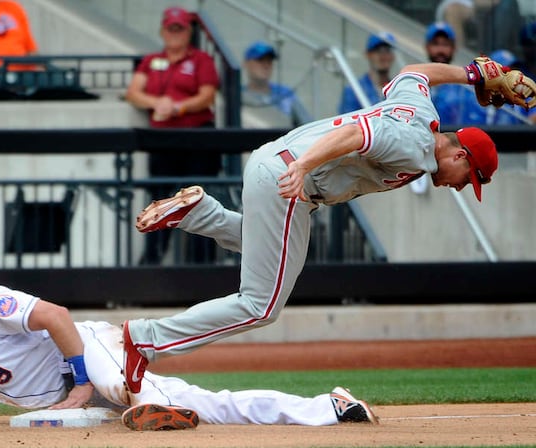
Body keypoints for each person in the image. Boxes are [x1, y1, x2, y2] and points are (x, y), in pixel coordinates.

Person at [121, 59, 508, 395]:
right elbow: (356, 135)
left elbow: (413, 72)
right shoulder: (413, 143)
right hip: (291, 178)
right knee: (261, 305)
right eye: (467, 176)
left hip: (275, 164)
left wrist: (471, 75)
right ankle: (145, 341)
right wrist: (302, 167)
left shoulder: (420, 111)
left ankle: (197, 213)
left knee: (270, 255)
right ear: (459, 153)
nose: (460, 185)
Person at [0, 250, 377, 430]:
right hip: (74, 391)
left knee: (127, 389)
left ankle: (330, 406)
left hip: (91, 353)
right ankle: (327, 405)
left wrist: (81, 380)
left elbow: (59, 316)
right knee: (206, 405)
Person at [124, 6, 221, 266]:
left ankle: (201, 264)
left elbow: (207, 95)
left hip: (197, 138)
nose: (175, 33)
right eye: (171, 28)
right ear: (162, 31)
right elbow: (133, 92)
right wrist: (158, 103)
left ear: (188, 32)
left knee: (199, 199)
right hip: (163, 139)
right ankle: (152, 262)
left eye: (180, 28)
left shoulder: (201, 59)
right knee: (159, 199)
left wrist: (179, 107)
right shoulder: (151, 60)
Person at [424, 22, 488, 126]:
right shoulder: (416, 81)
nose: (440, 50)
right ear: (427, 47)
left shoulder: (465, 86)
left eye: (445, 44)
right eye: (435, 44)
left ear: (454, 48)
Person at [242, 40, 312, 128]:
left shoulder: (285, 94)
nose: (266, 66)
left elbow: (308, 125)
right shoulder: (237, 95)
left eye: (269, 61)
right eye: (260, 60)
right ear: (246, 63)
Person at [337, 32, 396, 114]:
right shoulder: (354, 90)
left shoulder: (396, 89)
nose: (384, 56)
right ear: (368, 54)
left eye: (387, 50)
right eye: (379, 51)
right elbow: (346, 121)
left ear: (393, 57)